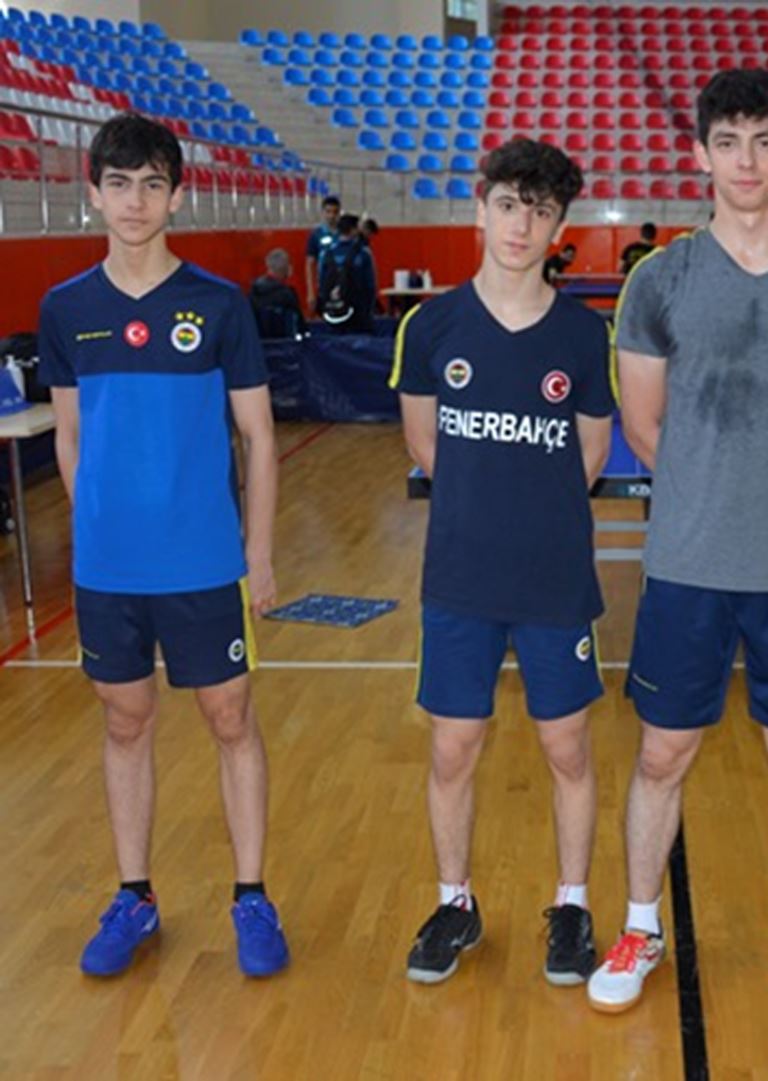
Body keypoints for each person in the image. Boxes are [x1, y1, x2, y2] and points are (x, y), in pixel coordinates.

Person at [586, 68, 768, 1015]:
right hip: (689, 563)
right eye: (728, 142)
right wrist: (716, 491)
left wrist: (766, 487)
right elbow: (645, 426)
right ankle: (640, 925)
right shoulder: (660, 279)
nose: (746, 161)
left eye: (764, 142)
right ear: (701, 154)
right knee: (661, 754)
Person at [37, 113, 289, 979]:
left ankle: (251, 895)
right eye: (119, 184)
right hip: (110, 568)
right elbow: (69, 436)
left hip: (205, 561)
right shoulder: (66, 309)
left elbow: (258, 435)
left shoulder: (218, 304)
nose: (135, 201)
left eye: (152, 184)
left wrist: (259, 552)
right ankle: (135, 895)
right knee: (125, 718)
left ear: (177, 195)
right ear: (94, 194)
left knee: (231, 717)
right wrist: (98, 524)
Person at [392, 138, 615, 987]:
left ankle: (572, 903)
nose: (522, 224)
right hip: (460, 577)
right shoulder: (431, 327)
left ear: (559, 227)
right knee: (454, 746)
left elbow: (590, 453)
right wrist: (485, 507)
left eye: (541, 210)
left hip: (554, 577)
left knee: (567, 745)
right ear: (480, 208)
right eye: (510, 204)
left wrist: (531, 511)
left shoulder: (582, 333)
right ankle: (455, 902)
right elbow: (425, 445)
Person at [318, 213, 377, 333]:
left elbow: (321, 282)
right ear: (353, 230)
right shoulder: (363, 253)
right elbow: (370, 285)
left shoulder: (326, 253)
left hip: (333, 312)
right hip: (359, 313)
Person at [249, 247, 305, 337]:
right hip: (285, 344)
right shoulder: (287, 295)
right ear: (285, 268)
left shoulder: (253, 291)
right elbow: (299, 326)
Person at [305, 194, 340, 314]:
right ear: (323, 213)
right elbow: (310, 264)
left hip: (344, 286)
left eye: (335, 212)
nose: (331, 216)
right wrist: (311, 292)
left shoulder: (344, 233)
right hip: (324, 287)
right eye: (328, 212)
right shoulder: (316, 235)